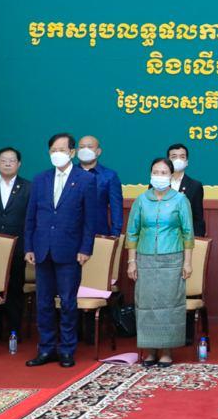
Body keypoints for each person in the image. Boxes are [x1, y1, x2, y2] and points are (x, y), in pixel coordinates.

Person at [24, 133, 100, 368]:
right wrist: (29, 246)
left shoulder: (85, 180)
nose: (57, 154)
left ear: (72, 153)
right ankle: (46, 348)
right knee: (43, 302)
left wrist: (86, 248)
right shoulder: (40, 179)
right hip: (42, 249)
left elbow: (90, 219)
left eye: (62, 150)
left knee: (67, 302)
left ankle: (67, 349)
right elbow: (31, 216)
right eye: (53, 150)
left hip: (70, 250)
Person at [125, 157, 195, 367]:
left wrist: (187, 262)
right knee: (146, 304)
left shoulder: (180, 200)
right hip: (145, 259)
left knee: (169, 304)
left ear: (171, 175)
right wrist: (131, 261)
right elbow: (132, 232)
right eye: (156, 172)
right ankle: (150, 350)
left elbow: (188, 233)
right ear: (150, 174)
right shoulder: (141, 200)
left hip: (172, 259)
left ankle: (166, 350)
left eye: (164, 172)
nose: (159, 176)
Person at [0, 147, 31, 338]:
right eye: (3, 160)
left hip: (18, 247)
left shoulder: (28, 187)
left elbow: (32, 219)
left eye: (12, 160)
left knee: (15, 289)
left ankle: (14, 330)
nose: (7, 163)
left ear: (19, 164)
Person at [77, 135, 124, 237]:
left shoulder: (109, 176)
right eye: (81, 147)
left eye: (90, 147)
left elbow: (116, 209)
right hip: (70, 236)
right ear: (76, 151)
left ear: (98, 151)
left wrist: (114, 236)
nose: (85, 150)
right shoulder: (69, 174)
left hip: (98, 234)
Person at [167, 143, 206, 237]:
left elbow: (198, 219)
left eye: (182, 157)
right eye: (174, 157)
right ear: (168, 161)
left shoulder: (195, 186)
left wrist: (197, 239)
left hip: (185, 237)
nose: (178, 160)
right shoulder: (158, 183)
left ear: (187, 162)